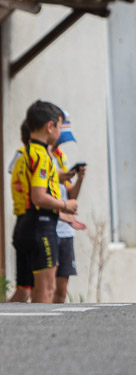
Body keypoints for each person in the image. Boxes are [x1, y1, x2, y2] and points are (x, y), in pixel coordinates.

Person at [10, 101, 77, 304]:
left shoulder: (25, 154)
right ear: (50, 127)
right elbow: (38, 196)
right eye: (59, 125)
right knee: (46, 290)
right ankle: (40, 336)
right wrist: (65, 206)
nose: (60, 131)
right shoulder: (42, 156)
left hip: (24, 224)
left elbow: (43, 178)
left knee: (24, 292)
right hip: (41, 227)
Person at [51, 114, 87, 303]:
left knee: (61, 289)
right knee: (47, 287)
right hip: (49, 226)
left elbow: (70, 194)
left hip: (65, 230)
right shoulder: (41, 157)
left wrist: (79, 177)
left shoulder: (60, 157)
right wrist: (61, 211)